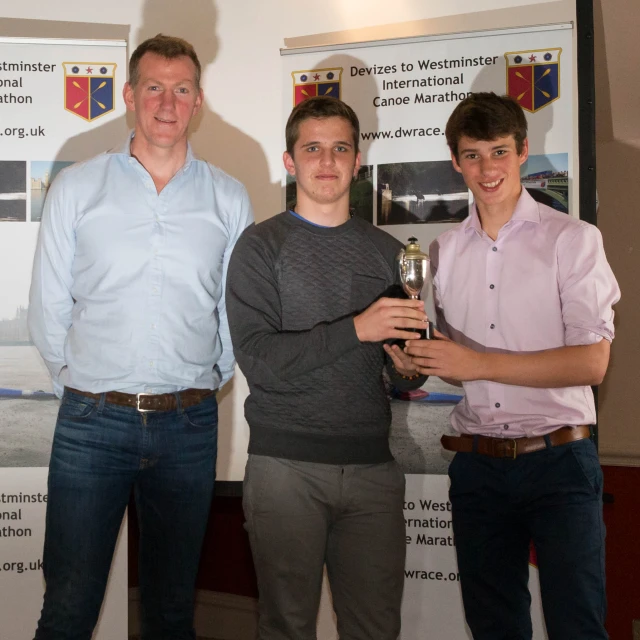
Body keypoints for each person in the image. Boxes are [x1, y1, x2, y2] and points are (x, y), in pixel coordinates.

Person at [28, 34, 253, 640]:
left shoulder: (228, 199)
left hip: (188, 427)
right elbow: (48, 309)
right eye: (153, 87)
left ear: (198, 100)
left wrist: (205, 384)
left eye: (181, 89)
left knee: (172, 609)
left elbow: (234, 317)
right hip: (90, 424)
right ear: (129, 95)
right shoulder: (78, 186)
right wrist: (80, 388)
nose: (166, 102)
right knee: (68, 606)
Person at [405, 92, 620, 640]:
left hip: (560, 462)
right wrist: (424, 358)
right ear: (455, 161)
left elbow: (592, 362)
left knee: (578, 628)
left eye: (499, 151)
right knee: (494, 628)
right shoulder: (443, 251)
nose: (487, 168)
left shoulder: (573, 240)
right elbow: (462, 369)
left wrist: (473, 359)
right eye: (472, 155)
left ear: (523, 151)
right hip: (476, 470)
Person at [226, 95, 428, 639]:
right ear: (289, 161)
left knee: (376, 629)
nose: (327, 161)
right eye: (312, 148)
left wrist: (409, 366)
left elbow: (402, 373)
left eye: (340, 148)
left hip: (372, 473)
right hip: (284, 470)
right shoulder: (259, 247)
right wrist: (357, 329)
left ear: (358, 160)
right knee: (288, 627)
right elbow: (260, 361)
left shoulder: (389, 253)